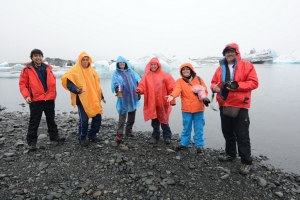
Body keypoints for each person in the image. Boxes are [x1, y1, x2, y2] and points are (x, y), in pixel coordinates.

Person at [210, 43, 259, 175]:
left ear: (237, 52)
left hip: (240, 105)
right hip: (224, 103)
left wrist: (237, 85)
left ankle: (246, 161)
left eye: (232, 51)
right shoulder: (220, 68)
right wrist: (214, 87)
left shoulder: (247, 65)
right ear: (224, 54)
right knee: (227, 132)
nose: (229, 54)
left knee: (242, 134)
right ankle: (231, 154)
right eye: (227, 52)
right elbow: (213, 82)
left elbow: (254, 83)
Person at [19, 49, 65, 151]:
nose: (38, 57)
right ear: (32, 57)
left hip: (49, 98)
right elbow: (23, 84)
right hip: (36, 99)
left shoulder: (48, 68)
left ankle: (54, 136)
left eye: (39, 55)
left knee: (51, 119)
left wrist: (53, 95)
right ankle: (32, 142)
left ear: (42, 57)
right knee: (34, 121)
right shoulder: (27, 69)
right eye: (35, 56)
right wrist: (26, 96)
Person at [61, 52, 106, 147]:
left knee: (97, 116)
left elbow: (96, 85)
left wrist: (101, 96)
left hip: (93, 98)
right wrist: (76, 89)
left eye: (87, 59)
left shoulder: (93, 71)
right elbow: (69, 82)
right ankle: (82, 137)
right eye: (83, 60)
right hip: (82, 99)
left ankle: (92, 134)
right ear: (80, 60)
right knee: (84, 120)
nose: (85, 62)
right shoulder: (74, 70)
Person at [167, 63, 210, 153]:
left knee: (199, 128)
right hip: (186, 109)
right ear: (181, 72)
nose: (185, 71)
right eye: (183, 69)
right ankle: (184, 143)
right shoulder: (180, 81)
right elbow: (177, 89)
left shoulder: (199, 79)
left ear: (191, 70)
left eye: (187, 69)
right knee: (186, 127)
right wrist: (172, 96)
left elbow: (204, 90)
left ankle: (199, 145)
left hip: (199, 108)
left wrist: (205, 97)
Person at [135, 57, 175, 145]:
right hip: (152, 103)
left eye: (154, 64)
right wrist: (139, 90)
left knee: (164, 119)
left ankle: (167, 136)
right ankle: (155, 136)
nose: (153, 66)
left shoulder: (165, 75)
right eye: (151, 64)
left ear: (158, 65)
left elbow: (172, 87)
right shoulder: (146, 76)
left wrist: (172, 99)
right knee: (154, 120)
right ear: (149, 65)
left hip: (163, 102)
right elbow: (142, 86)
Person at [111, 56, 141, 142]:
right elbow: (115, 83)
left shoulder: (130, 72)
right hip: (123, 96)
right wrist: (117, 89)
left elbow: (136, 81)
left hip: (132, 95)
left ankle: (128, 130)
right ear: (118, 64)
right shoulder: (116, 73)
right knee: (122, 114)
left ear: (125, 64)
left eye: (123, 63)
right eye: (120, 63)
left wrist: (138, 92)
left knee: (132, 113)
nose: (122, 64)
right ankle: (119, 134)